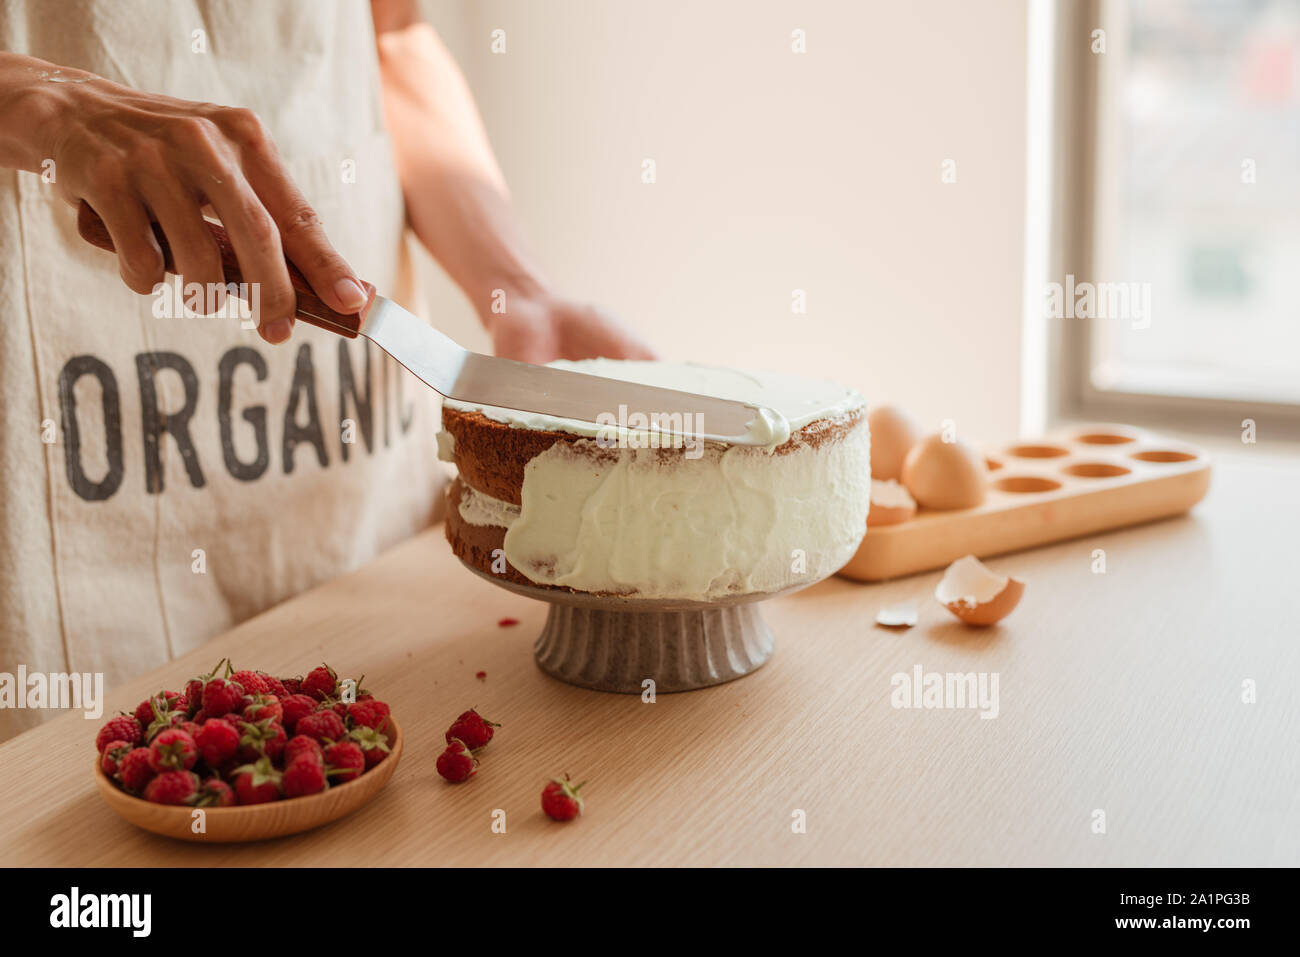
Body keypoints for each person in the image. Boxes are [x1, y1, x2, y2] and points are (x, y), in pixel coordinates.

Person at [0, 0, 652, 739]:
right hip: (69, 529)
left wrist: (519, 289)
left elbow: (394, 33)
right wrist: (42, 101)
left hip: (364, 509)